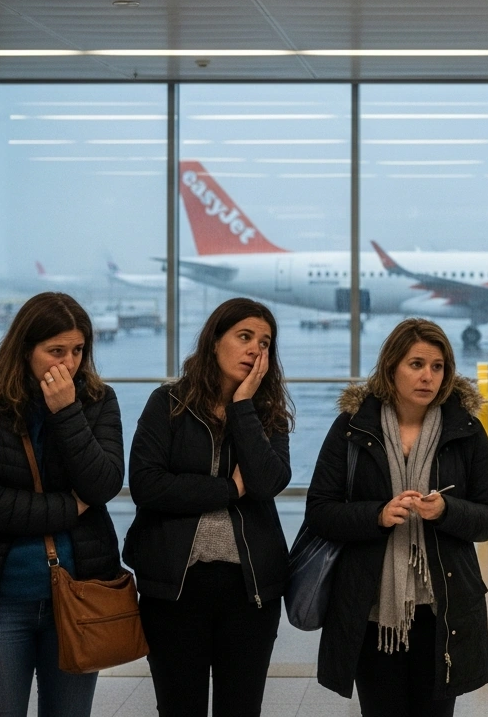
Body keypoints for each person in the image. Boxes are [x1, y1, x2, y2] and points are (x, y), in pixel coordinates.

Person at [305, 318, 488, 716]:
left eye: (437, 366)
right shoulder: (352, 427)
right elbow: (320, 512)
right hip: (371, 609)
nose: (427, 376)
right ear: (391, 367)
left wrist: (447, 511)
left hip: (442, 608)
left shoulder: (465, 430)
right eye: (416, 364)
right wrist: (377, 515)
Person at [0, 292, 125, 717]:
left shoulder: (98, 401)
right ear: (26, 349)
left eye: (78, 350)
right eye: (55, 351)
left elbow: (102, 485)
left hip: (80, 594)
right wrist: (70, 507)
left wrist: (66, 413)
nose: (67, 363)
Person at [123, 298, 293, 717]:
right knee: (181, 707)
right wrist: (228, 491)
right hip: (175, 588)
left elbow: (269, 482)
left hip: (250, 591)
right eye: (245, 337)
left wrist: (242, 408)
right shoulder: (168, 404)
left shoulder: (268, 415)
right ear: (215, 341)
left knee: (241, 707)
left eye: (265, 342)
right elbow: (147, 486)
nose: (256, 349)